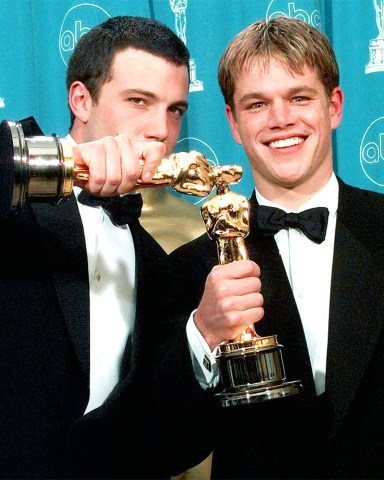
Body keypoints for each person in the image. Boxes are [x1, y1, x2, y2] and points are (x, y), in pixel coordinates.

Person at [153, 16, 384, 479]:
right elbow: (166, 447)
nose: (281, 119)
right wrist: (204, 333)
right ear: (233, 123)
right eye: (257, 104)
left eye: (299, 97)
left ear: (334, 106)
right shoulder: (193, 266)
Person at [0, 16, 213, 479]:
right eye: (139, 101)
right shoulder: (15, 200)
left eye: (175, 110)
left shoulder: (156, 260)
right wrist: (59, 163)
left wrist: (204, 337)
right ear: (81, 99)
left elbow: (168, 444)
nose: (160, 129)